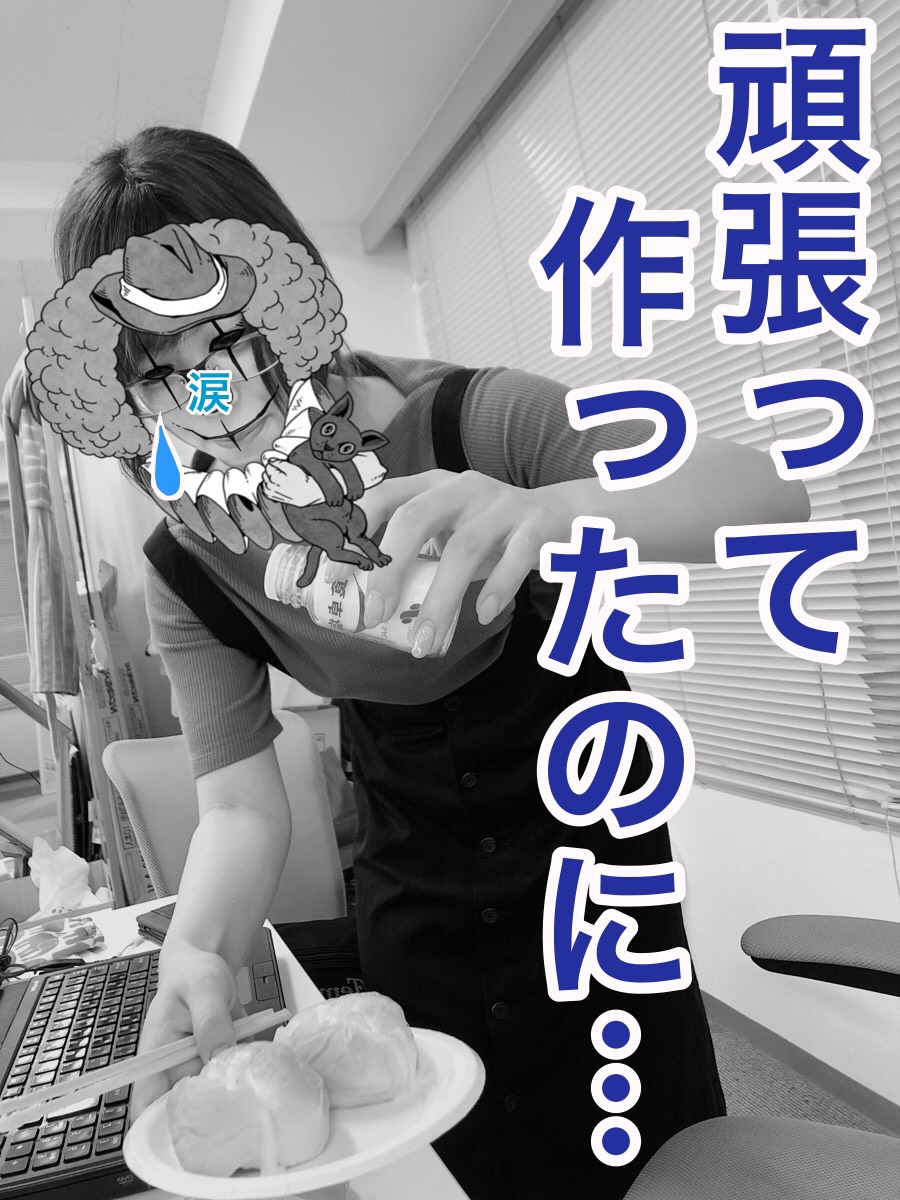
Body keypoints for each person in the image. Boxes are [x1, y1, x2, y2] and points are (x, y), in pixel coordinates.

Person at [39, 126, 809, 1200]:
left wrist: (553, 509)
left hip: (585, 852)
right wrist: (199, 945)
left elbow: (771, 495)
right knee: (452, 1151)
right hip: (411, 863)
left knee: (649, 1147)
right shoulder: (191, 560)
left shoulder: (474, 421)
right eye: (157, 372)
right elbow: (240, 808)